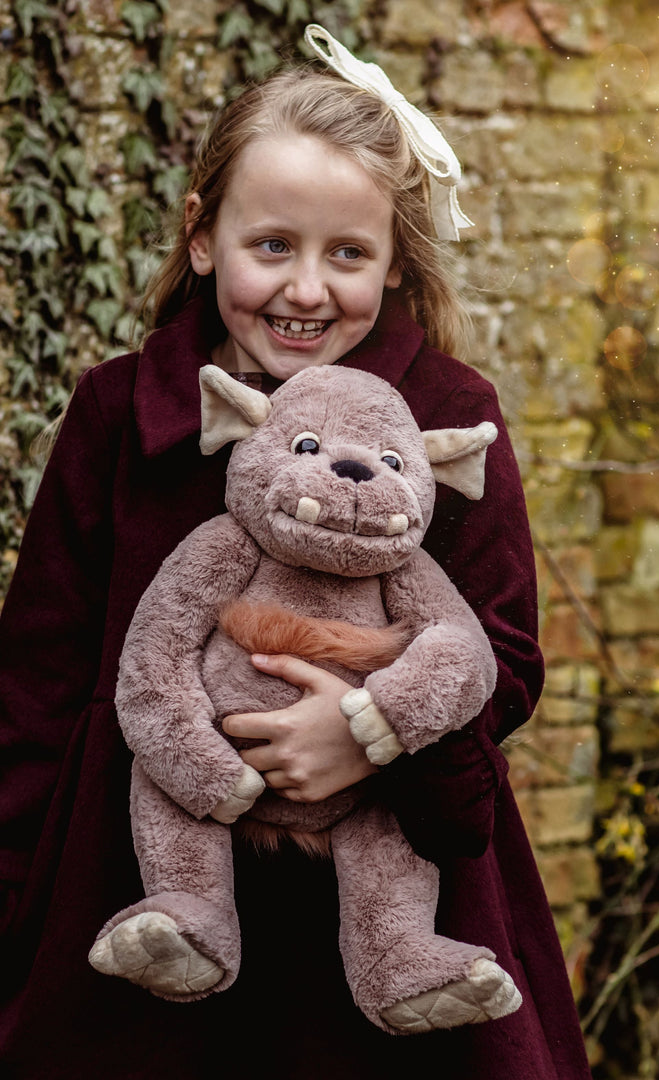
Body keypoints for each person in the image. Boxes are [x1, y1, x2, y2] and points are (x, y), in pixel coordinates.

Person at [0, 25, 591, 1080]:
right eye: (272, 245)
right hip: (138, 891)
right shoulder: (116, 414)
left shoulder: (449, 419)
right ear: (201, 237)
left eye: (347, 254)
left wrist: (366, 737)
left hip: (389, 888)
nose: (306, 290)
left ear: (395, 261)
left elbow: (501, 656)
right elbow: (35, 688)